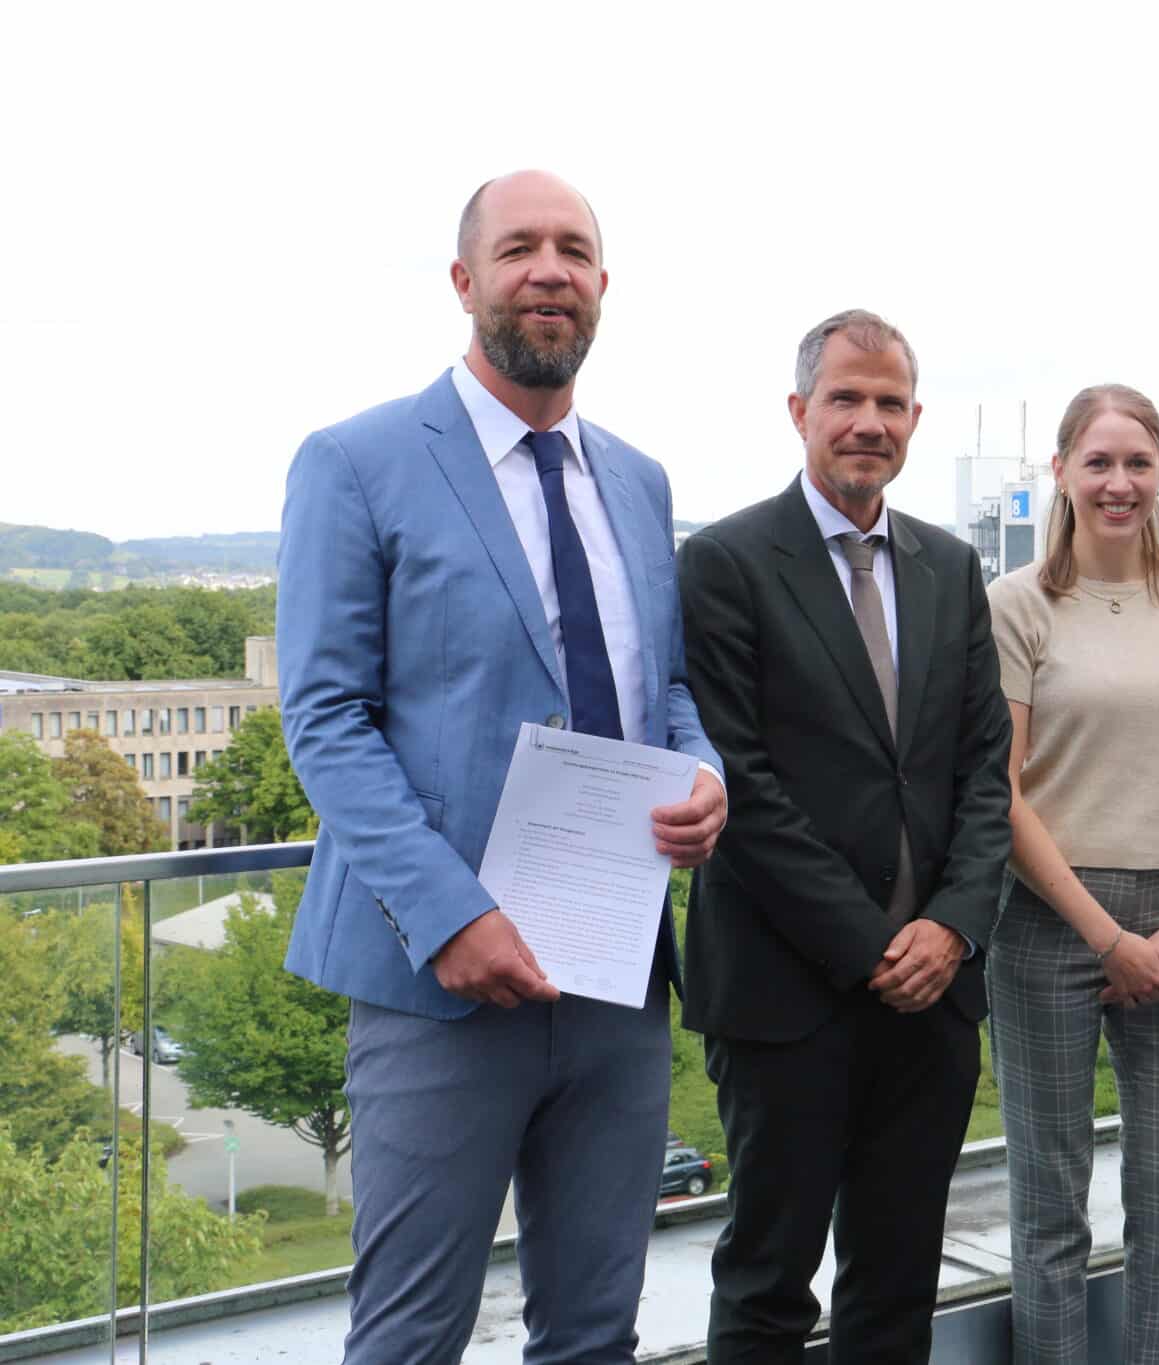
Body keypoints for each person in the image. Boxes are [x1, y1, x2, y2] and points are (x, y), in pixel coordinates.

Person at [276, 170, 728, 1364]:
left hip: (615, 976)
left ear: (601, 285)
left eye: (572, 249)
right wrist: (450, 917)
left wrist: (702, 776)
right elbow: (324, 717)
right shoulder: (356, 460)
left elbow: (667, 690)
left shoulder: (637, 480)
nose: (549, 269)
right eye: (520, 246)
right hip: (439, 981)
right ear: (464, 279)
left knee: (594, 1333)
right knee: (411, 1338)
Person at [678, 309, 1013, 1364]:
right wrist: (875, 947)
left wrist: (952, 929)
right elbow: (741, 785)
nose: (869, 421)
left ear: (914, 419)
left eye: (890, 402)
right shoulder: (725, 562)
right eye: (846, 399)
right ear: (799, 411)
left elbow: (984, 773)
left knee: (897, 1284)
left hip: (933, 998)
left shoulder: (950, 566)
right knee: (768, 1286)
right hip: (786, 995)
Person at [986, 384, 1159, 1365]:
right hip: (1047, 919)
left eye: (1137, 463)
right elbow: (1002, 790)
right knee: (1049, 1211)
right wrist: (1108, 938)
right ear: (1059, 471)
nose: (1118, 482)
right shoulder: (1014, 605)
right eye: (1097, 462)